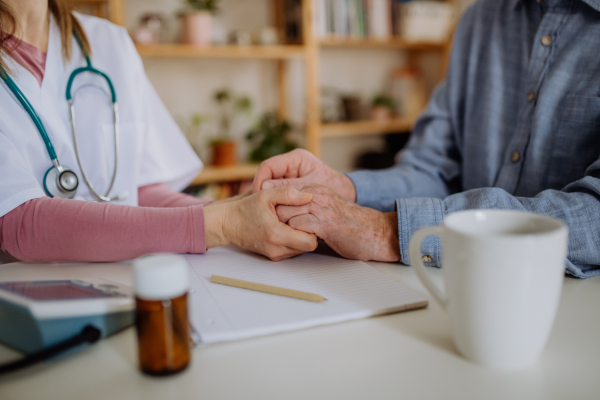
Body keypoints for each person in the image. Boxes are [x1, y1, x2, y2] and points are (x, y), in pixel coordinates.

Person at [252, 0, 600, 278]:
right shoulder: (479, 19)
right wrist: (345, 188)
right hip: (453, 287)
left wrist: (386, 232)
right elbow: (434, 169)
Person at [0, 0, 317, 263]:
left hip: (127, 282)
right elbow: (20, 224)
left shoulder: (109, 42)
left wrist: (243, 211)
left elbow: (141, 189)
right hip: (31, 302)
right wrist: (223, 223)